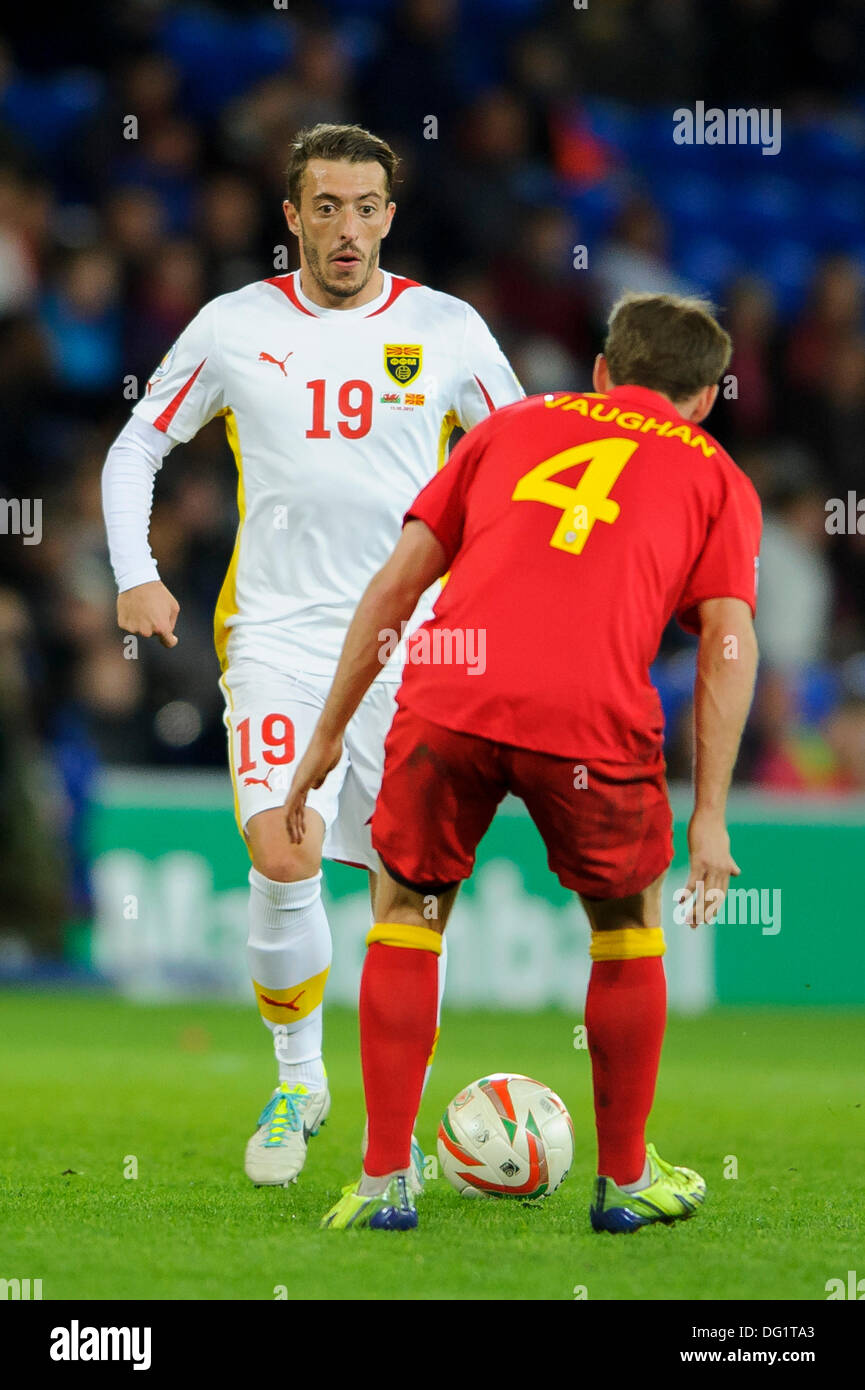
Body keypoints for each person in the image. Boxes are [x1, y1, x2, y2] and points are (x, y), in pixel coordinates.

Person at [101, 123, 523, 1188]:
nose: (346, 229)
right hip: (281, 636)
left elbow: (524, 463)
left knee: (411, 896)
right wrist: (135, 570)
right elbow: (138, 440)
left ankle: (396, 1139)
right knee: (282, 851)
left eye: (364, 207)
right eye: (324, 207)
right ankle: (300, 1077)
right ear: (289, 217)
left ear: (391, 213)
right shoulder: (235, 326)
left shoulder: (449, 327)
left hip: (420, 649)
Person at [285, 291, 762, 1232]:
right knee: (624, 925)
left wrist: (332, 727)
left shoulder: (509, 428)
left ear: (601, 369)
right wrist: (710, 810)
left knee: (407, 913)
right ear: (706, 397)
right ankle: (623, 1182)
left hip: (449, 696)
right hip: (591, 714)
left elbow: (398, 580)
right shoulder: (718, 479)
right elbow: (727, 644)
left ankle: (384, 1182)